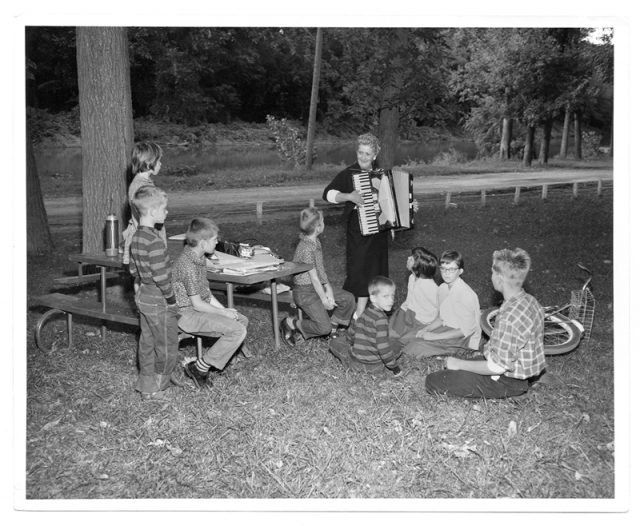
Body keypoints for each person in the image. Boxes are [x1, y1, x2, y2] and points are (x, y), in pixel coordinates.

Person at [424, 248, 545, 398]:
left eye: (493, 273)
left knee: (433, 381)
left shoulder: (509, 316)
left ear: (499, 279)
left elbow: (497, 367)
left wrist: (459, 364)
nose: (491, 277)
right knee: (456, 366)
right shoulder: (531, 301)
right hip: (522, 371)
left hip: (506, 380)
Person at [172, 218, 249, 388]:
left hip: (196, 310)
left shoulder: (197, 259)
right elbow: (198, 304)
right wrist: (223, 314)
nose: (217, 242)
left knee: (241, 320)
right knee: (237, 330)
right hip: (185, 315)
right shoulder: (187, 265)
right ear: (203, 243)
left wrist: (226, 310)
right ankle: (199, 368)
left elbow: (206, 294)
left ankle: (214, 361)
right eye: (215, 239)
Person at [322, 133, 388, 319]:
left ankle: (369, 313)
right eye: (361, 152)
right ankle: (353, 312)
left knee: (375, 271)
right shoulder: (349, 174)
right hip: (358, 231)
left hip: (379, 232)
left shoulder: (383, 175)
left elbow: (391, 203)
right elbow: (327, 194)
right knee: (358, 271)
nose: (363, 157)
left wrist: (409, 206)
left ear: (375, 155)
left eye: (368, 154)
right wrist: (349, 196)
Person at [128, 185, 179, 400]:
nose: (166, 212)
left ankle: (146, 385)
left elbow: (133, 269)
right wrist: (171, 298)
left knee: (147, 342)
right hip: (159, 297)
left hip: (144, 296)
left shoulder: (136, 237)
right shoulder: (155, 241)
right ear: (152, 212)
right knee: (167, 343)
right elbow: (161, 277)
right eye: (164, 209)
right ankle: (160, 386)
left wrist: (140, 283)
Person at [280, 207, 355, 346]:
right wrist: (325, 300)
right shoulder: (307, 248)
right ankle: (290, 323)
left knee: (348, 299)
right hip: (304, 291)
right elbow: (314, 278)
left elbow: (320, 270)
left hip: (316, 287)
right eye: (323, 221)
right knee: (323, 328)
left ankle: (332, 329)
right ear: (318, 227)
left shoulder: (315, 242)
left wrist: (329, 289)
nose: (324, 224)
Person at [403, 250, 481, 358]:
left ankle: (454, 351)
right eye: (443, 269)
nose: (447, 273)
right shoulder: (442, 289)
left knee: (413, 348)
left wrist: (435, 337)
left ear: (460, 271)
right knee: (406, 338)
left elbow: (465, 331)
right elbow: (440, 317)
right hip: (445, 328)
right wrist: (427, 329)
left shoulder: (466, 295)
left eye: (452, 269)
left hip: (460, 338)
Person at [328, 276, 404, 377]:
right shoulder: (381, 319)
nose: (391, 300)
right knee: (396, 344)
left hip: (354, 364)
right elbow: (383, 348)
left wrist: (350, 343)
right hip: (376, 366)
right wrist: (395, 368)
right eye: (386, 296)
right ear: (373, 298)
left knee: (334, 342)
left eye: (393, 296)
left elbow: (351, 333)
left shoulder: (363, 314)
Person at [121, 142, 168, 264]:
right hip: (147, 240)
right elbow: (138, 218)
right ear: (148, 163)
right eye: (158, 161)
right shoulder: (141, 186)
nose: (160, 164)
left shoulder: (143, 183)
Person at [389, 247, 439, 346]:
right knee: (391, 333)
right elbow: (409, 299)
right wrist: (402, 312)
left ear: (417, 267)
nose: (408, 258)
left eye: (411, 259)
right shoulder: (412, 277)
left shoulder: (428, 285)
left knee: (403, 340)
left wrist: (432, 325)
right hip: (410, 315)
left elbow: (441, 307)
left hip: (424, 322)